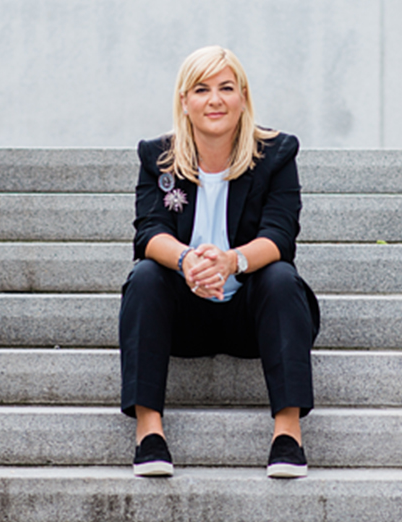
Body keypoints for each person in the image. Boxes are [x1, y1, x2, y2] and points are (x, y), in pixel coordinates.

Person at [119, 45, 319, 479]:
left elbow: (280, 236)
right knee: (146, 275)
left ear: (243, 96)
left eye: (227, 88)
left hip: (251, 316)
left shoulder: (277, 153)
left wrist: (231, 261)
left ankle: (288, 434)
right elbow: (149, 233)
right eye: (202, 89)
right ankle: (149, 433)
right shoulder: (156, 156)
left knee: (282, 277)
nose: (215, 100)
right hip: (181, 320)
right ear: (184, 101)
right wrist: (189, 260)